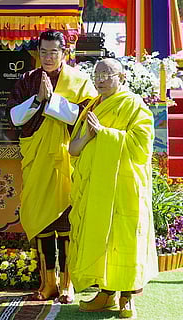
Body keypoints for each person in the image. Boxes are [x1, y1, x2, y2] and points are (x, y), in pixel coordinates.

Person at [6, 30, 97, 303]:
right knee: (42, 221)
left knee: (67, 222)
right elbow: (14, 117)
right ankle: (48, 284)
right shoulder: (28, 80)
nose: (48, 58)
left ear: (65, 53)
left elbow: (87, 115)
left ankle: (67, 284)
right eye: (43, 52)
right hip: (37, 161)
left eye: (53, 52)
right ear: (38, 53)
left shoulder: (79, 80)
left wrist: (52, 101)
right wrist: (36, 99)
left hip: (67, 158)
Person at [68, 58, 158, 318]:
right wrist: (91, 135)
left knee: (125, 239)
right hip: (96, 185)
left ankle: (127, 297)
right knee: (101, 237)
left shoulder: (134, 105)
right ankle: (105, 294)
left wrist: (106, 134)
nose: (102, 79)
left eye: (108, 74)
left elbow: (142, 146)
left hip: (125, 186)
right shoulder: (92, 108)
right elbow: (74, 148)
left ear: (122, 78)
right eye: (98, 74)